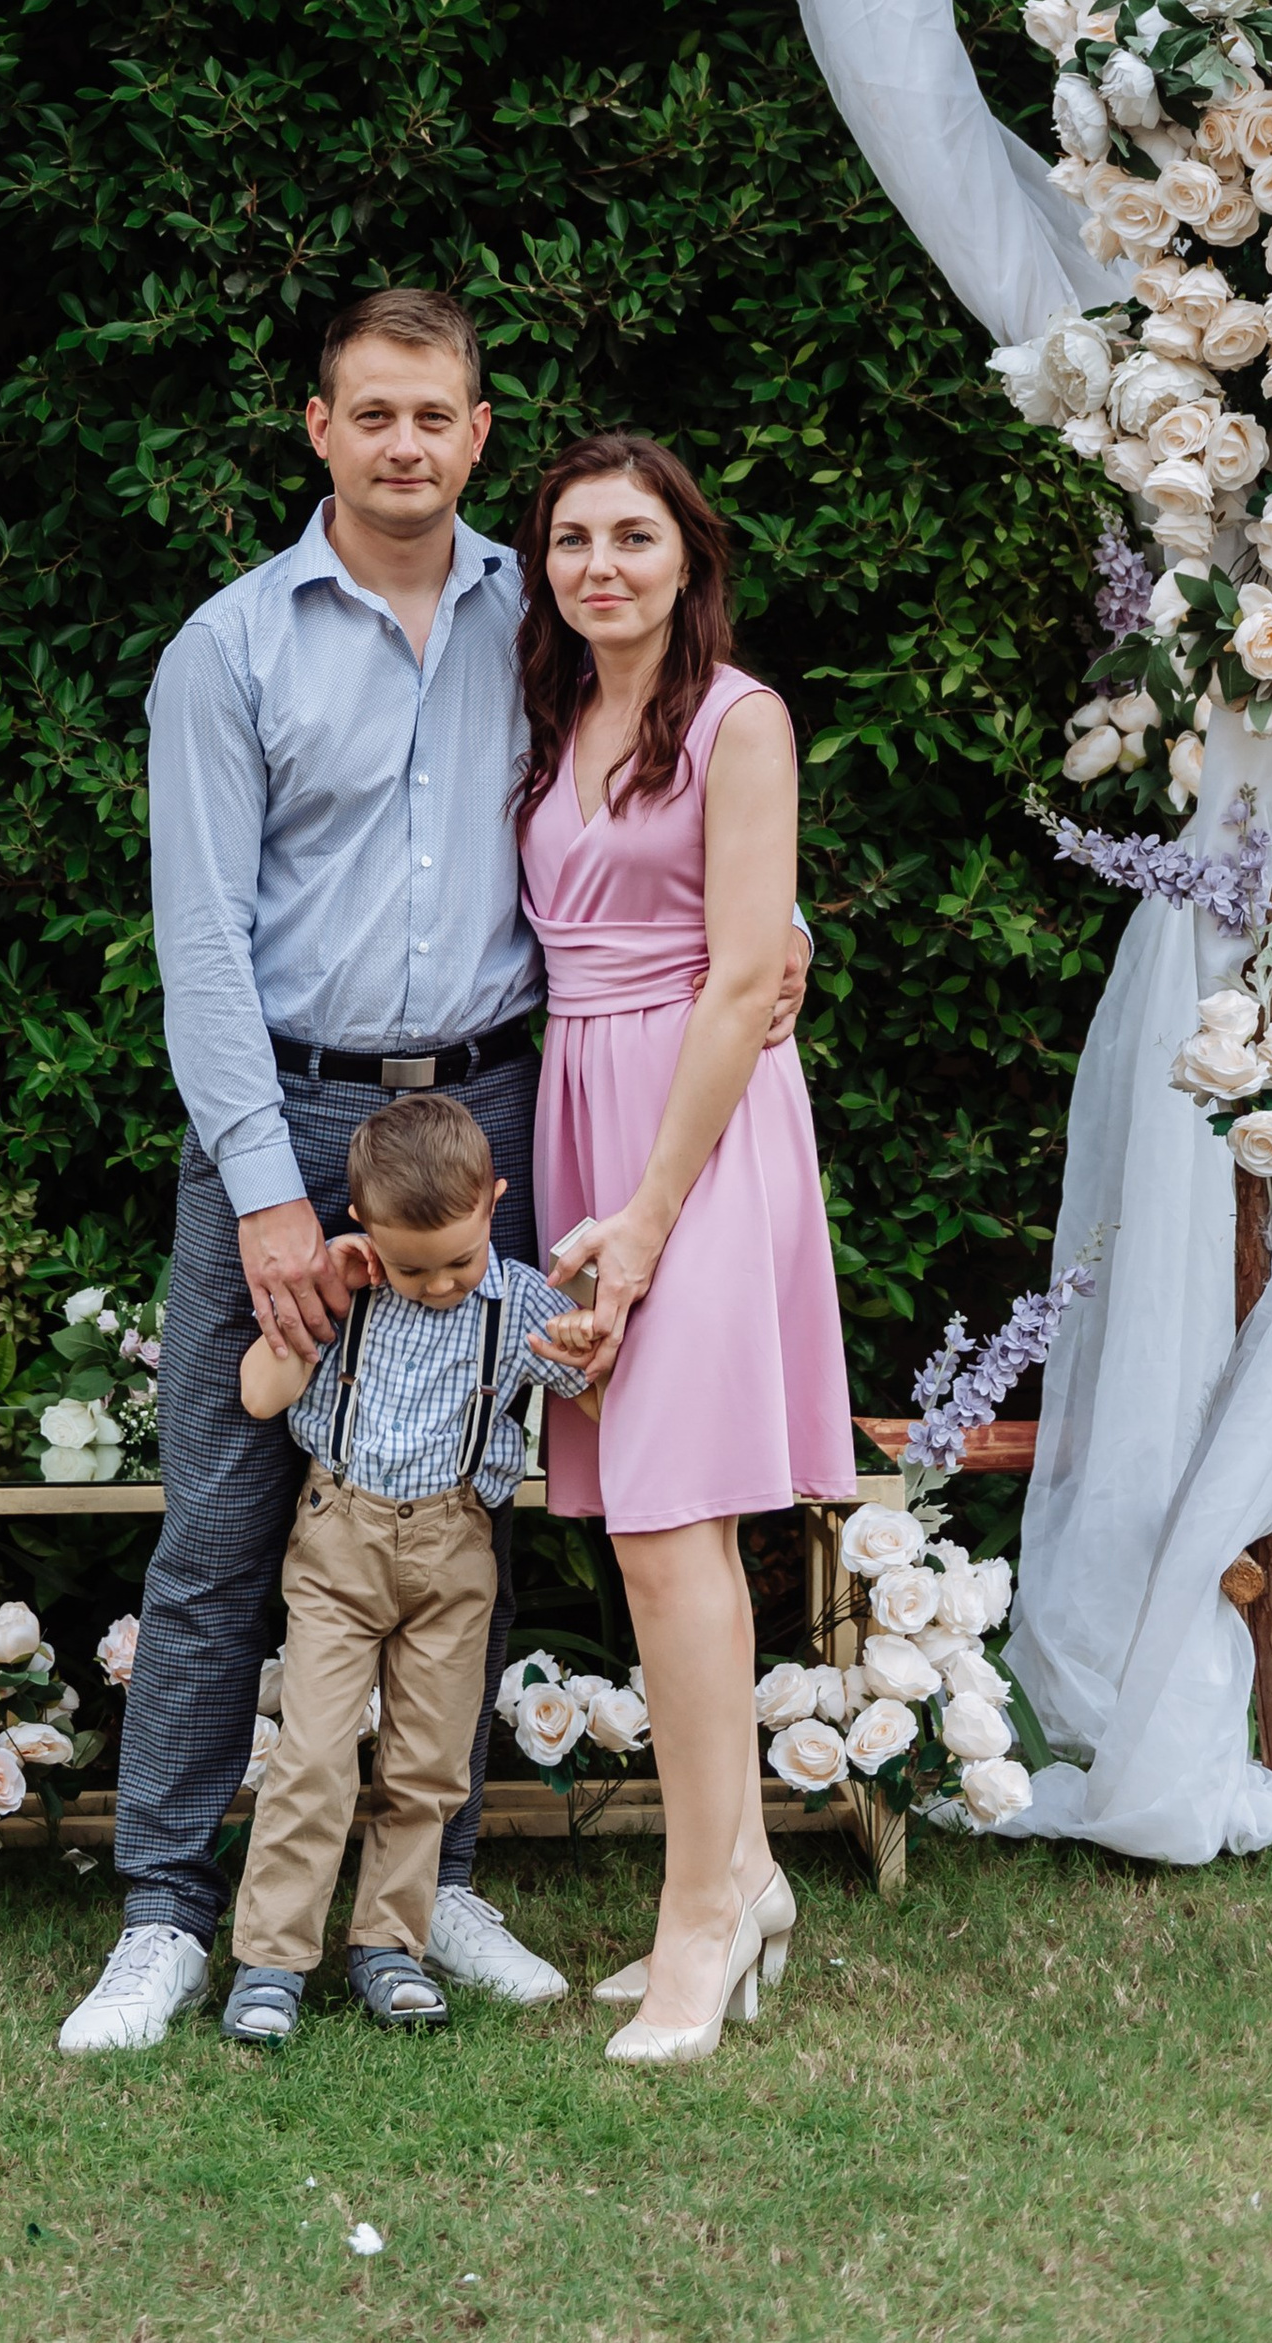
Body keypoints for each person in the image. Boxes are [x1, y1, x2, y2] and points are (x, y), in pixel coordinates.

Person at [58, 292, 811, 2057]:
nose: (406, 443)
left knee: (469, 1507)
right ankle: (165, 1915)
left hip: (498, 1114)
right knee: (227, 1520)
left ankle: (437, 1883)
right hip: (291, 1115)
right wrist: (260, 1187)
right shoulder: (228, 648)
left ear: (479, 434)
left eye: (438, 417)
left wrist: (769, 949)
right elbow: (201, 945)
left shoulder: (540, 617)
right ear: (317, 428)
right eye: (371, 413)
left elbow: (661, 832)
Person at [518, 428, 854, 2065]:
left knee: (670, 1526)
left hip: (700, 1137)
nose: (600, 564)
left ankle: (702, 1920)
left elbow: (741, 975)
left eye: (631, 536)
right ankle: (748, 1873)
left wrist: (646, 1218)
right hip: (580, 1108)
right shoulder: (554, 718)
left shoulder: (742, 719)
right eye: (573, 537)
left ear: (687, 556)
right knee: (648, 1529)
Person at [216, 1091, 599, 2045]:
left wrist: (592, 1328)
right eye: (412, 1264)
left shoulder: (515, 1306)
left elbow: (591, 1390)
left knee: (428, 1765)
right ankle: (272, 1958)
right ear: (365, 1232)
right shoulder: (349, 1293)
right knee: (310, 1755)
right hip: (339, 1544)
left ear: (496, 1203)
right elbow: (261, 1398)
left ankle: (390, 1944)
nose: (437, 1284)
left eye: (459, 1259)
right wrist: (329, 1299)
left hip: (455, 1548)